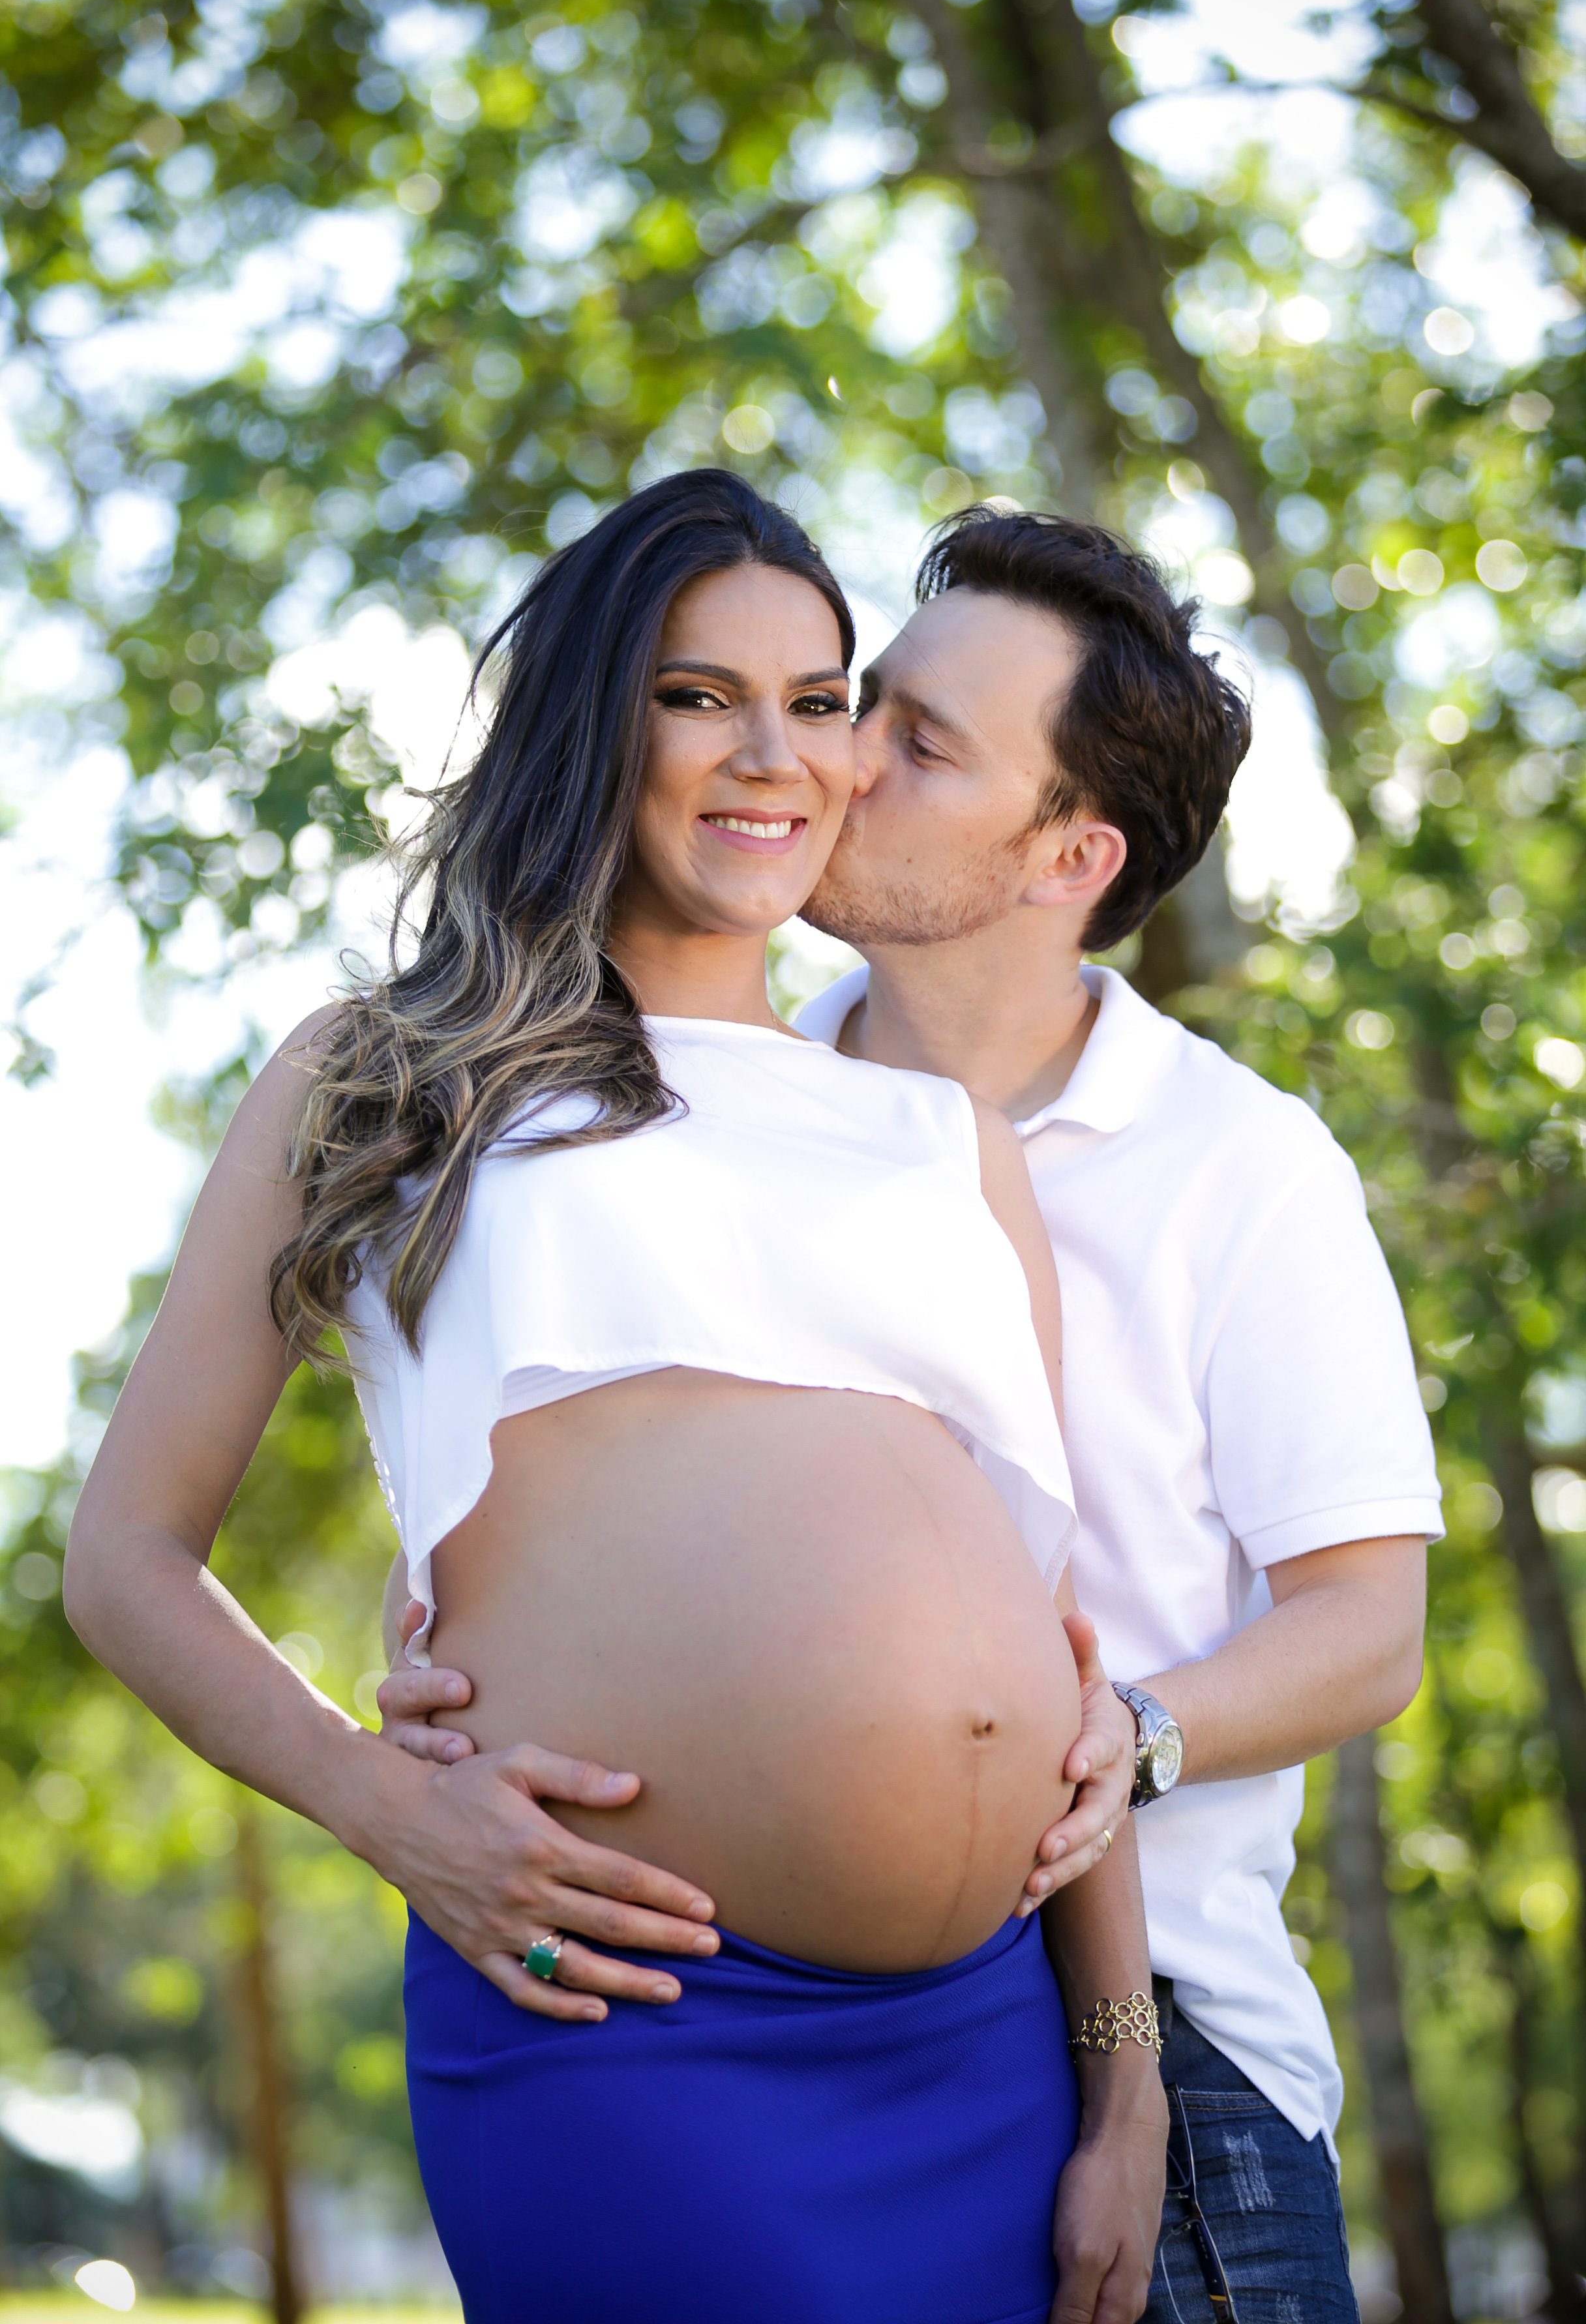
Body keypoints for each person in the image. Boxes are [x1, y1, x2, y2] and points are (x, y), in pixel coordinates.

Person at [65, 471, 1167, 2324]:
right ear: (596, 719)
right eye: (697, 693)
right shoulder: (392, 1070)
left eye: (819, 702)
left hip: (989, 2040)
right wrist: (379, 1807)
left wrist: (1123, 2078)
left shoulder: (942, 1134)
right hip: (633, 2012)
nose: (775, 753)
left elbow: (1067, 1647)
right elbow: (125, 1558)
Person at [383, 505, 1442, 2319]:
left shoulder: (1238, 1163)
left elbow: (1368, 1628)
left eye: (914, 740)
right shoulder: (725, 1086)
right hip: (733, 1998)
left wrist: (1128, 1732)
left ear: (1067, 855)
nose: (833, 755)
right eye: (868, 700)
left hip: (1164, 2029)